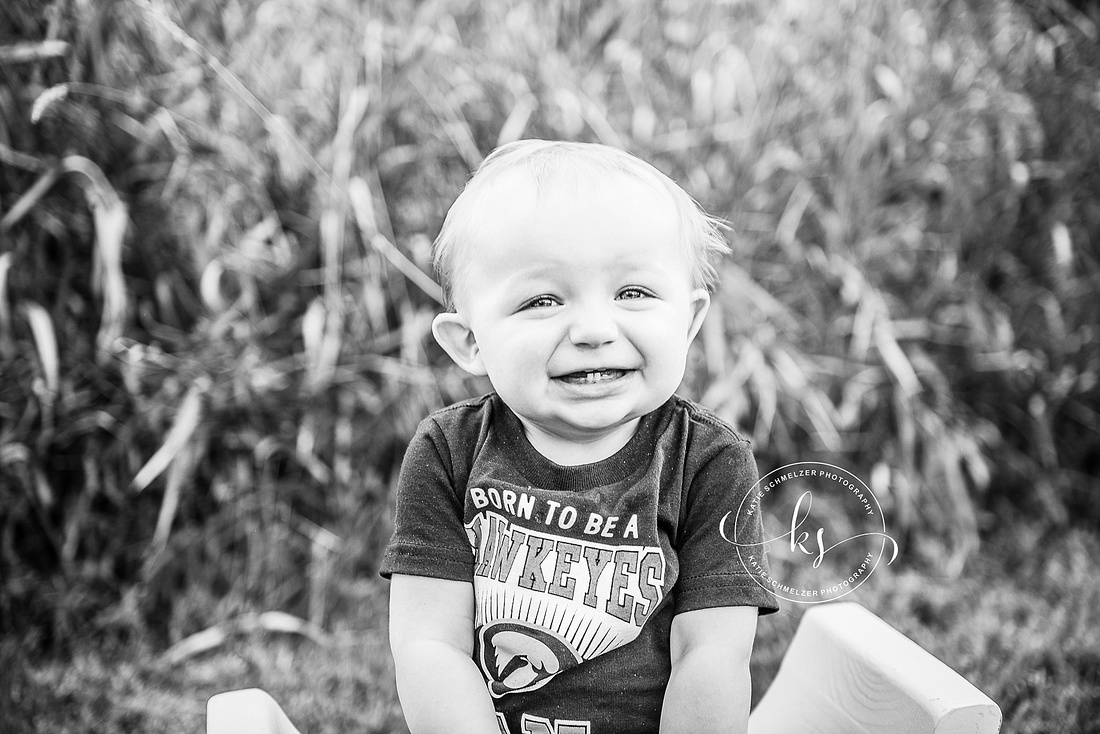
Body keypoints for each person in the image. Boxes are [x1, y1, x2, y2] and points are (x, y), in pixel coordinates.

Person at [380, 139, 778, 734]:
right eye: (543, 300)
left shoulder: (708, 463)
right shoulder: (449, 452)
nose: (594, 329)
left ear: (689, 321)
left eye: (633, 293)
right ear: (470, 343)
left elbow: (712, 654)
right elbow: (429, 644)